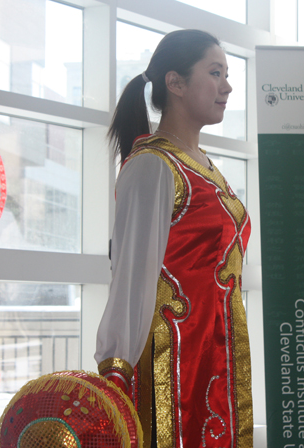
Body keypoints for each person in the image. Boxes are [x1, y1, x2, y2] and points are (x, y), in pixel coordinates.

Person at [95, 29, 253, 448]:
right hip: (172, 365)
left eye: (227, 74)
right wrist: (115, 375)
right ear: (176, 83)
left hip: (214, 358)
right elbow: (131, 280)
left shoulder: (204, 167)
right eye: (215, 72)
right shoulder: (152, 166)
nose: (227, 86)